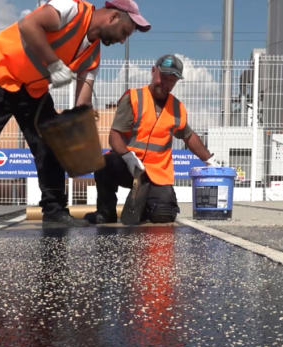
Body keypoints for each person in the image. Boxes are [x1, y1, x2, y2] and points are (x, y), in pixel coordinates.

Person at [0, 0, 151, 232]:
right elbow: (28, 25)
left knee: (51, 146)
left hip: (32, 91)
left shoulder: (92, 57)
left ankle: (54, 211)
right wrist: (54, 64)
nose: (123, 40)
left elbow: (82, 102)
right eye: (125, 32)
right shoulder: (71, 9)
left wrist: (77, 133)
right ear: (113, 17)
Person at [86, 54, 220, 225]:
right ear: (153, 71)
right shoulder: (134, 98)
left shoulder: (177, 108)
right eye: (163, 77)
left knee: (163, 215)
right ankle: (105, 213)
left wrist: (209, 160)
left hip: (156, 174)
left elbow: (189, 136)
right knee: (105, 163)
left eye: (172, 81)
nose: (165, 84)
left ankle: (143, 207)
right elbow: (114, 136)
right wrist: (127, 156)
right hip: (128, 167)